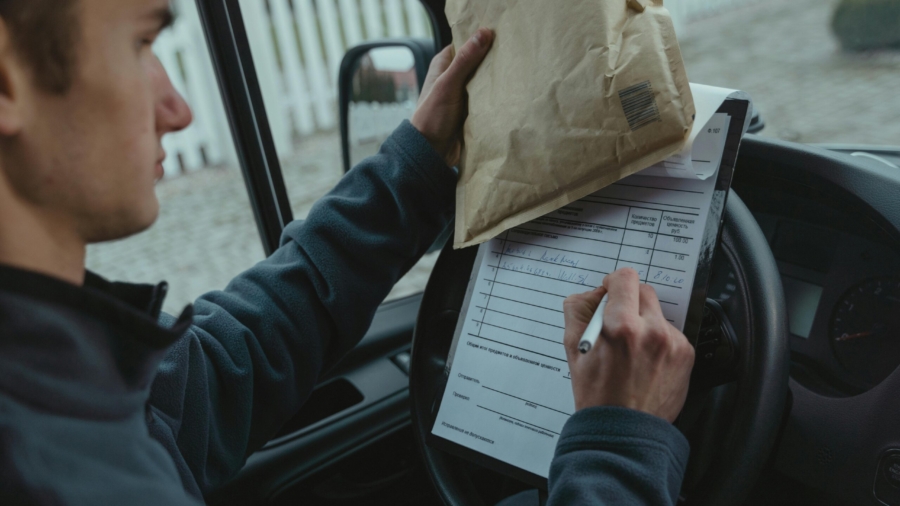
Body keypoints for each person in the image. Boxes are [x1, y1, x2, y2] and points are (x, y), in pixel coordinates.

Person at [0, 0, 694, 505]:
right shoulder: (50, 470)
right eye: (141, 44)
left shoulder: (53, 372)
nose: (177, 108)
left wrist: (414, 167)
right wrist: (617, 449)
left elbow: (212, 375)